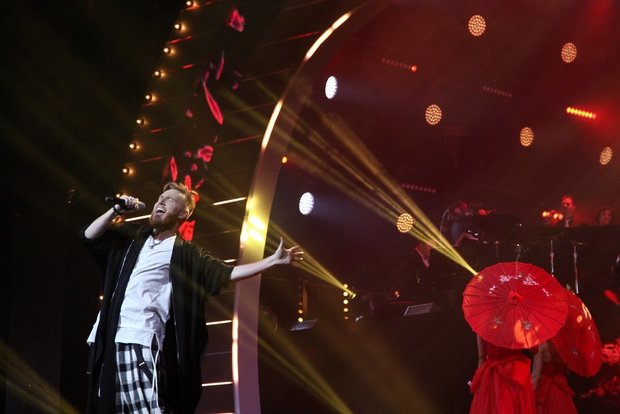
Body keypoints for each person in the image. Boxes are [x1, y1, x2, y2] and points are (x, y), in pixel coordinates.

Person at [82, 182, 303, 413]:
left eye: (169, 200)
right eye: (160, 198)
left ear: (183, 213)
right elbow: (89, 236)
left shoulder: (185, 253)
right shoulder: (133, 238)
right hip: (108, 338)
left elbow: (227, 273)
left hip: (140, 336)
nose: (160, 202)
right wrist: (115, 211)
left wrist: (272, 261)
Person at [469, 335, 542, 414]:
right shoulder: (518, 328)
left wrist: (477, 379)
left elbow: (482, 356)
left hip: (492, 376)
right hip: (515, 375)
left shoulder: (484, 329)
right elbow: (534, 349)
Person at [535, 341, 577, 414]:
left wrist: (530, 393)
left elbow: (536, 375)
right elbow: (568, 371)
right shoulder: (565, 346)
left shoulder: (541, 346)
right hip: (562, 387)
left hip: (546, 389)